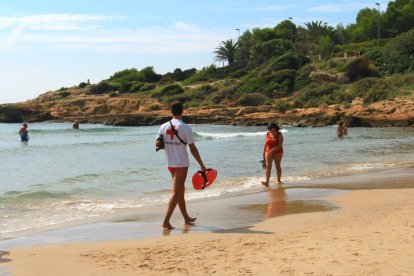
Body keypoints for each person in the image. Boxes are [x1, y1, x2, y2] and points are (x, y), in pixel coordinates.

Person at [157, 101, 207, 230]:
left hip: (170, 163)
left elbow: (158, 144)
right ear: (182, 111)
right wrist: (202, 164)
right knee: (176, 191)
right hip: (181, 164)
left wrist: (171, 147)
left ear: (171, 111)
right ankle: (166, 221)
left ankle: (186, 218)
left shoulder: (163, 126)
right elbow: (193, 148)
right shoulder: (185, 127)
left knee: (180, 191)